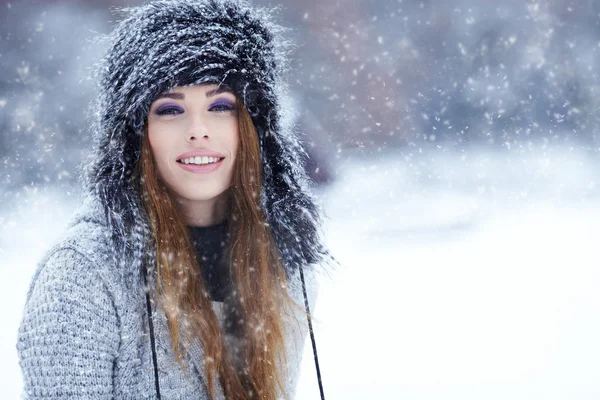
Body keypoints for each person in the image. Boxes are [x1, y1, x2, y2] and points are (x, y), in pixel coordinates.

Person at [16, 0, 332, 398]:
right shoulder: (82, 280)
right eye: (169, 109)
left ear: (255, 128)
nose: (197, 130)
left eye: (220, 106)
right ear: (135, 134)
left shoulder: (283, 267)